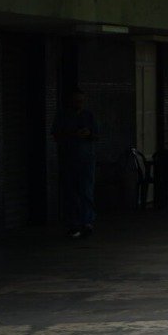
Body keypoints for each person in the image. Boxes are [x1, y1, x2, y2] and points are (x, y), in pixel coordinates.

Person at [51, 89, 99, 238]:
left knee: (86, 191)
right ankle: (74, 223)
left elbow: (96, 135)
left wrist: (89, 134)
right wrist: (72, 134)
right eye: (76, 101)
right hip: (69, 159)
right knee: (71, 192)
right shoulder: (63, 116)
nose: (79, 104)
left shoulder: (88, 115)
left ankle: (86, 222)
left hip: (86, 160)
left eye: (81, 101)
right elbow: (56, 135)